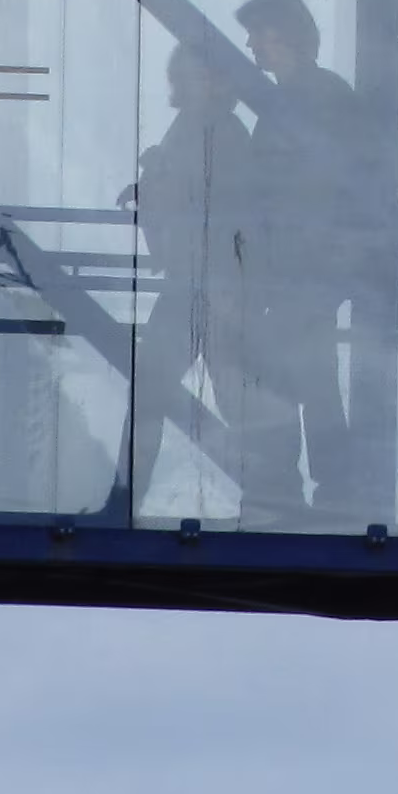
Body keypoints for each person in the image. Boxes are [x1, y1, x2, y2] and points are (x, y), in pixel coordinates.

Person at [233, 0, 398, 525]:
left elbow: (332, 184)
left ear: (287, 34)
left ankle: (296, 485)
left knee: (286, 371)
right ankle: (326, 486)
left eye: (259, 32)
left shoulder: (312, 99)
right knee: (309, 373)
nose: (251, 44)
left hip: (309, 266)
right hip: (304, 266)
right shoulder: (307, 96)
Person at [120, 38, 265, 515]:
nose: (179, 83)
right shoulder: (200, 126)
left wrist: (155, 181)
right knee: (173, 393)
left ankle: (269, 498)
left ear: (216, 81)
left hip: (209, 285)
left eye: (189, 74)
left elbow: (220, 207)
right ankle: (270, 500)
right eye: (178, 74)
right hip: (196, 284)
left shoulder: (221, 131)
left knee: (220, 397)